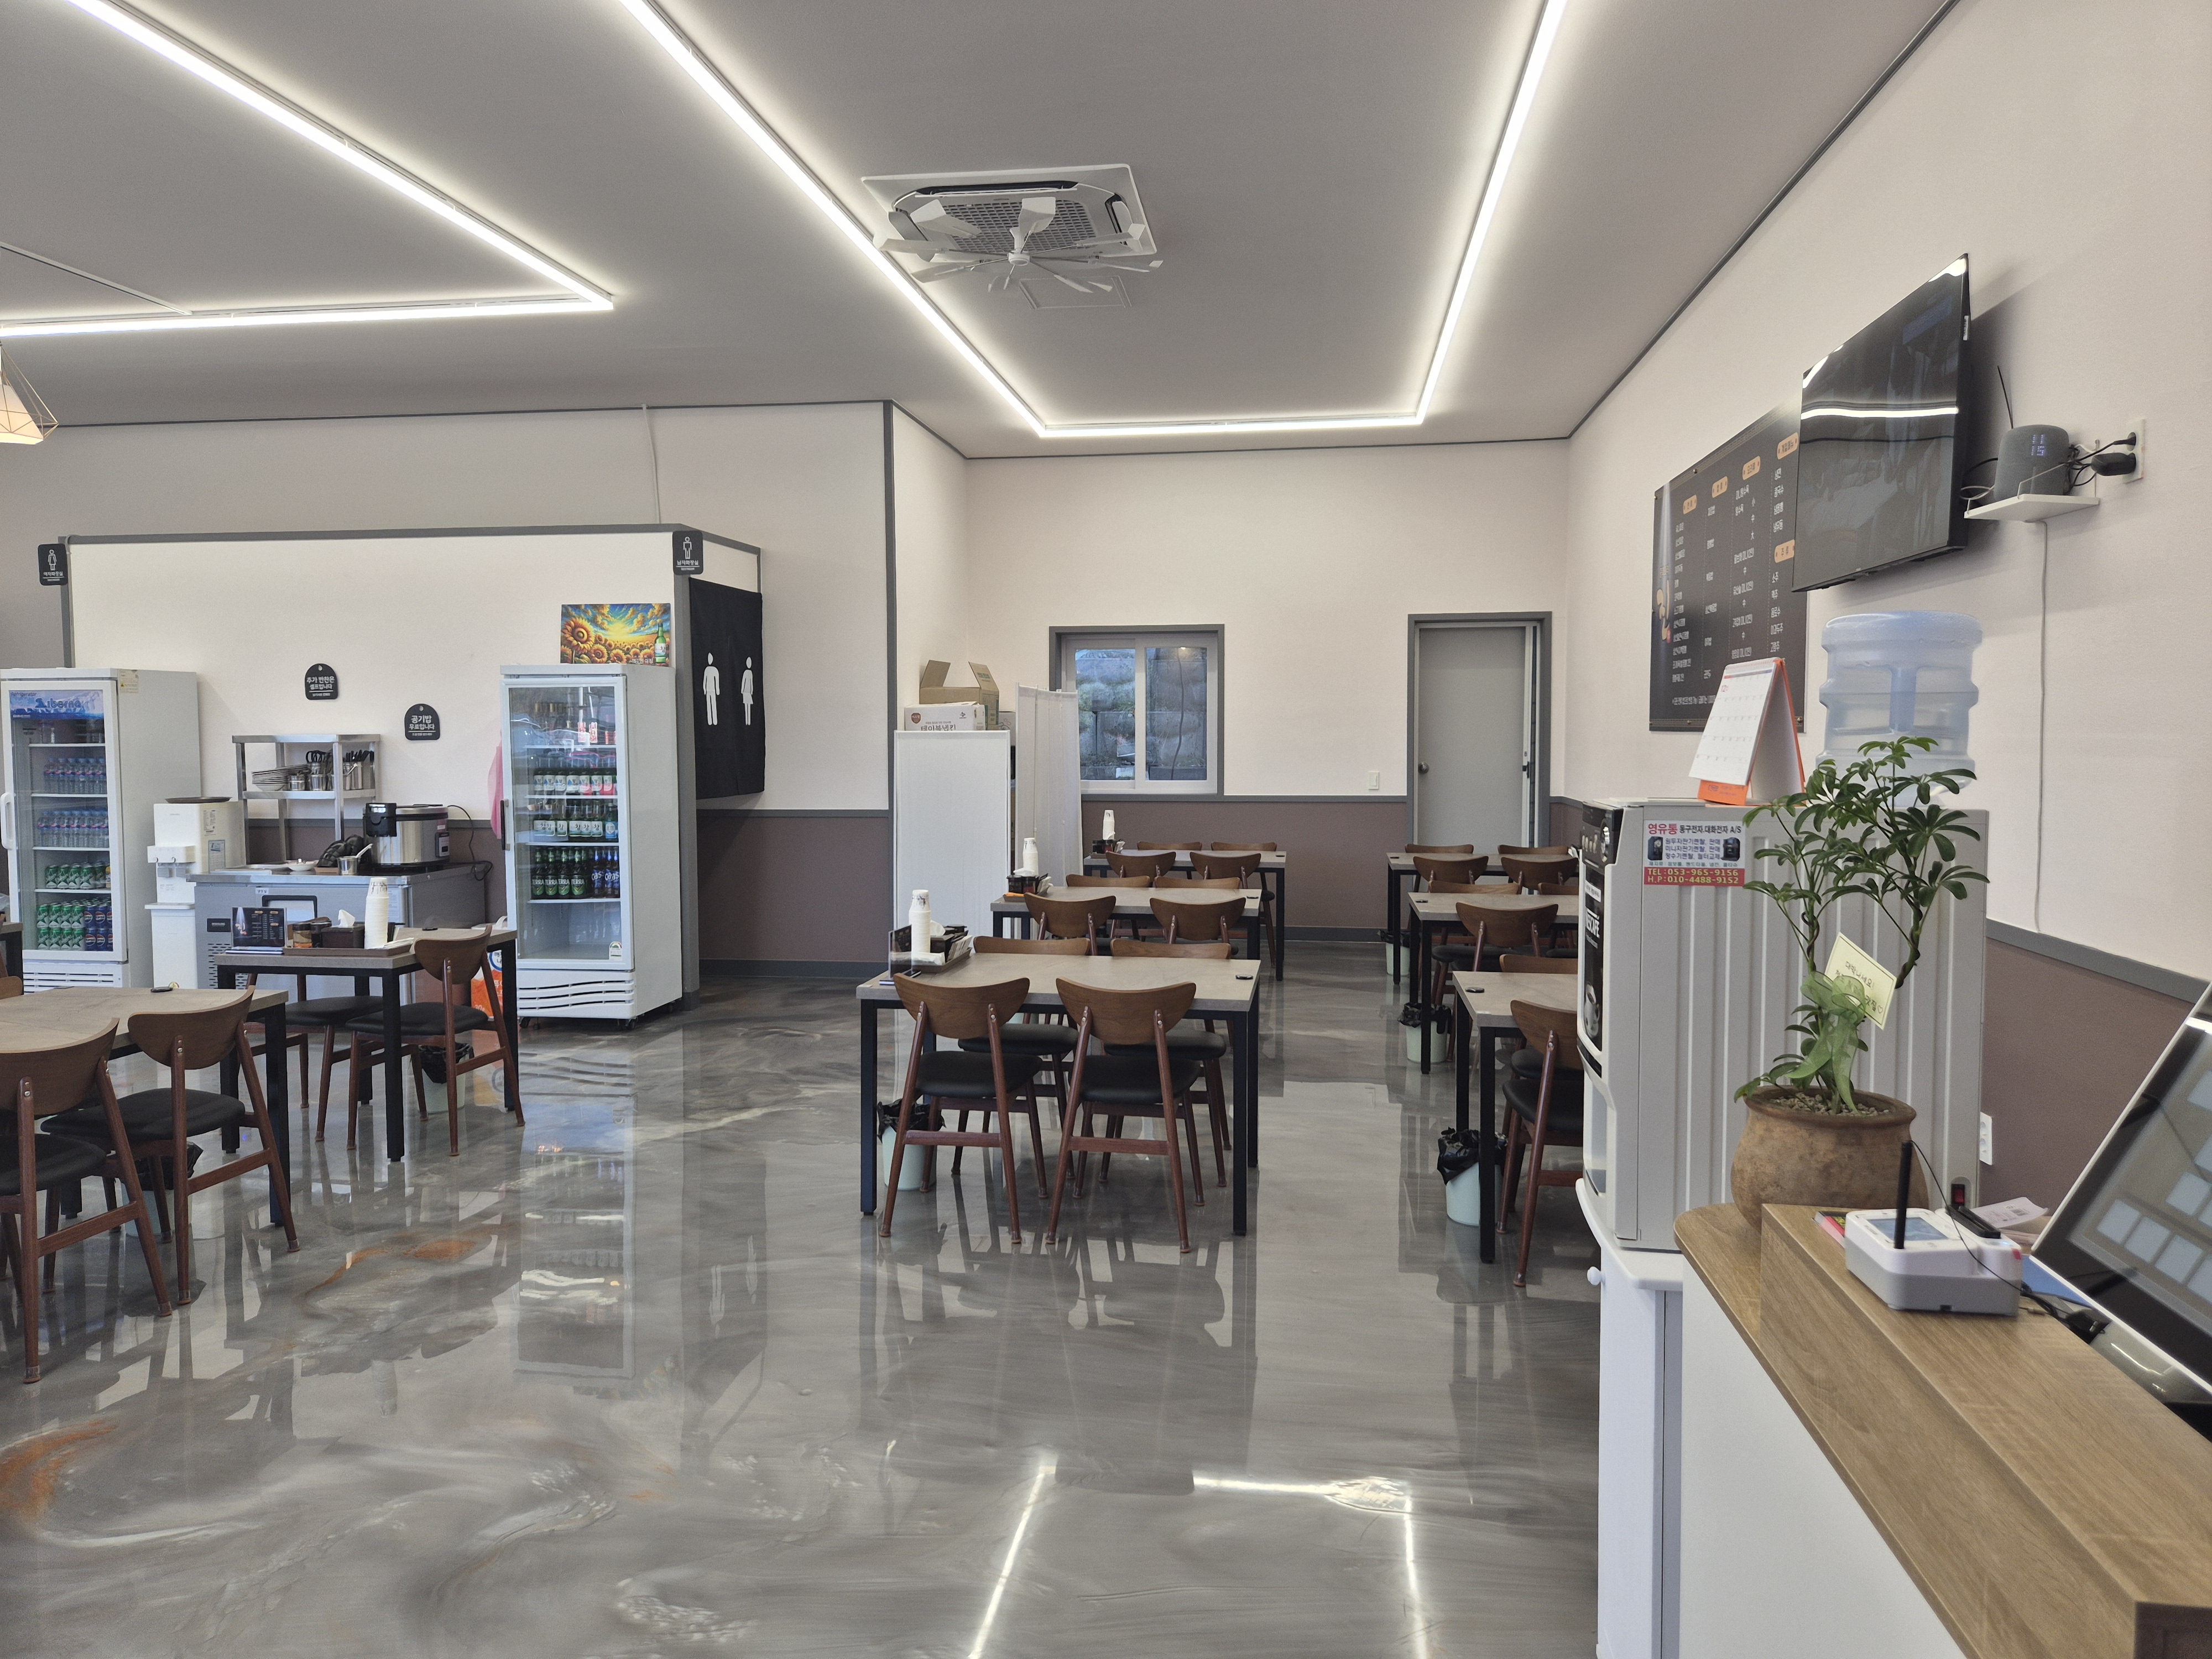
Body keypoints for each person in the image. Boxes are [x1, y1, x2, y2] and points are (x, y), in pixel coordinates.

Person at [702, 653, 721, 726]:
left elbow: (717, 681)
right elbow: (705, 680)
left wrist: (717, 690)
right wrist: (704, 689)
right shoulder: (707, 670)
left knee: (713, 705)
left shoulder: (713, 670)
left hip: (712, 690)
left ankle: (714, 721)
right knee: (710, 706)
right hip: (709, 690)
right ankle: (710, 721)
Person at [740, 656, 755, 725]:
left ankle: (748, 722)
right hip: (747, 692)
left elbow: (746, 682)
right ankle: (748, 722)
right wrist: (751, 691)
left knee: (747, 706)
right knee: (747, 706)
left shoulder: (748, 672)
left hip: (746, 692)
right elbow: (748, 683)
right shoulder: (748, 673)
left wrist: (743, 690)